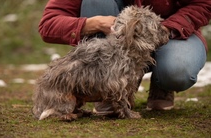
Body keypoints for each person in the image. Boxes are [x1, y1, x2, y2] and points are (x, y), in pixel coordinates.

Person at [38, 0, 211, 114]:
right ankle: (107, 88)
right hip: (114, 46)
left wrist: (164, 29)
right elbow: (48, 24)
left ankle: (161, 84)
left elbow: (204, 3)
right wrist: (94, 23)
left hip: (172, 34)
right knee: (95, 1)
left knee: (178, 69)